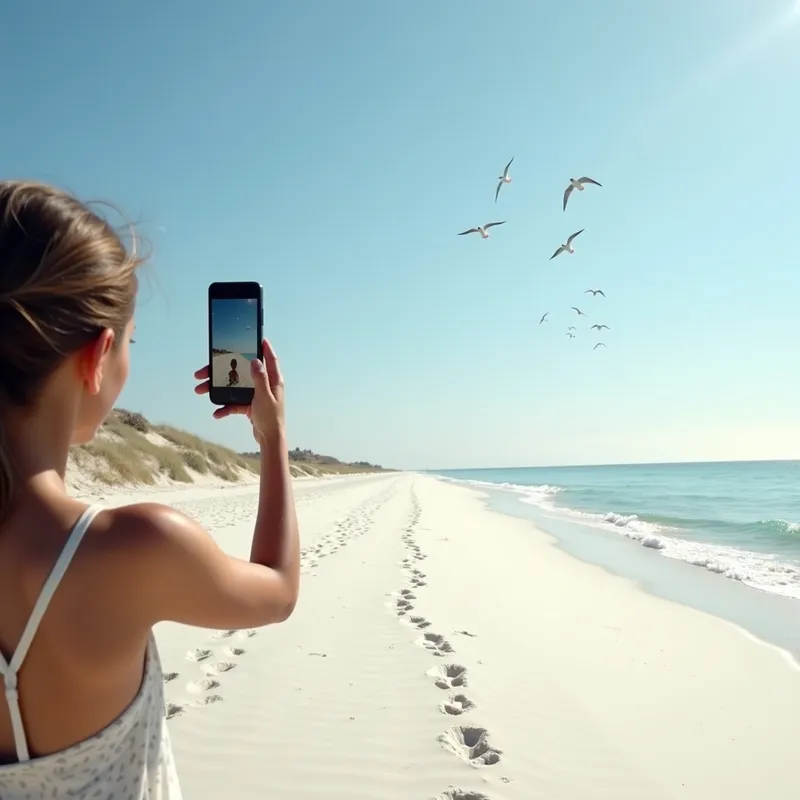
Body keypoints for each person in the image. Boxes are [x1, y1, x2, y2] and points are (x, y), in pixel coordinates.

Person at [0, 181, 300, 798]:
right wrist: (272, 439)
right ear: (97, 354)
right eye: (130, 343)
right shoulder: (135, 549)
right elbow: (278, 590)